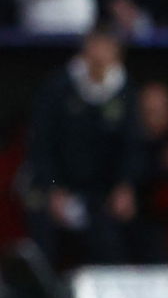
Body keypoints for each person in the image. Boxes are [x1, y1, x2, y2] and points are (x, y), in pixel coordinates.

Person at [22, 27, 145, 275]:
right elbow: (41, 143)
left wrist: (126, 185)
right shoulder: (58, 87)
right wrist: (53, 188)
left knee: (115, 234)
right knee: (41, 230)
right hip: (57, 187)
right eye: (95, 45)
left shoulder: (126, 91)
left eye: (107, 47)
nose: (100, 54)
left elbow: (133, 145)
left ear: (117, 53)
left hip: (101, 192)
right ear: (85, 49)